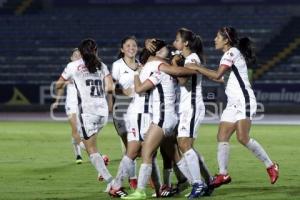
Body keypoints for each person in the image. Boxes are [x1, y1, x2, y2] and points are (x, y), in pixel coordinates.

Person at [186, 26, 279, 188]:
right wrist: (200, 70)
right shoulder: (231, 54)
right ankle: (223, 174)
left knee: (242, 138)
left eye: (217, 37)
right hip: (232, 103)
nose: (215, 39)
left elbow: (217, 75)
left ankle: (271, 165)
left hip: (244, 100)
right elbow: (222, 79)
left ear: (226, 40)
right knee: (222, 136)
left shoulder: (231, 53)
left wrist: (196, 67)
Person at [122, 39, 201, 200]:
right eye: (165, 49)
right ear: (157, 53)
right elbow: (178, 73)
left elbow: (138, 89)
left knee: (146, 151)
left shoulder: (158, 68)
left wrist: (137, 73)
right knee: (175, 155)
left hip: (162, 117)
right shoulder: (164, 67)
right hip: (170, 117)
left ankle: (141, 191)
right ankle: (195, 183)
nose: (168, 50)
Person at [55, 38, 115, 187]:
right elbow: (109, 88)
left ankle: (112, 184)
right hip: (102, 113)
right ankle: (105, 172)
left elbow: (58, 84)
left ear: (81, 52)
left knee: (90, 149)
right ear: (96, 50)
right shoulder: (102, 65)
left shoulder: (72, 66)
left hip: (87, 112)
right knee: (89, 144)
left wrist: (69, 80)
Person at [172, 28, 213, 198]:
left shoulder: (192, 60)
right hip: (188, 106)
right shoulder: (189, 58)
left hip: (192, 106)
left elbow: (182, 80)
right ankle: (209, 181)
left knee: (184, 144)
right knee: (187, 146)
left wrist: (174, 63)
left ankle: (198, 184)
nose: (175, 42)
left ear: (185, 43)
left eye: (177, 39)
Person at [111, 36, 139, 190]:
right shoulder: (117, 65)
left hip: (137, 107)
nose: (131, 48)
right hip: (121, 106)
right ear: (122, 49)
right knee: (128, 144)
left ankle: (134, 178)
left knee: (135, 143)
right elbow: (111, 86)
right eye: (127, 45)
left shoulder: (141, 66)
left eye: (134, 45)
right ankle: (132, 177)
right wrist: (123, 90)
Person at [53, 48, 85, 164]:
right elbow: (60, 86)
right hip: (71, 104)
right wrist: (57, 101)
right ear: (71, 58)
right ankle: (85, 152)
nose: (77, 57)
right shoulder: (69, 69)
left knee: (80, 130)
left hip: (84, 105)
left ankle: (78, 153)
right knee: (75, 128)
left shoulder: (84, 70)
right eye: (75, 55)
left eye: (79, 55)